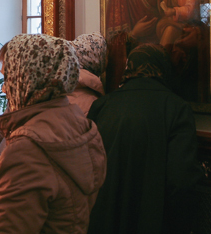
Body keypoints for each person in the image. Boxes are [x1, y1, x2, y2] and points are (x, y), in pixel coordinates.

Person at [0, 33, 107, 234]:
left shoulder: (28, 150)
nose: (4, 89)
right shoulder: (80, 125)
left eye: (8, 79)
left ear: (28, 81)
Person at [87, 44, 203, 234]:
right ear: (163, 66)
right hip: (151, 220)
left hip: (101, 219)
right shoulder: (176, 108)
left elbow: (86, 167)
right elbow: (180, 181)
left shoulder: (102, 105)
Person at [68, 32, 107, 116]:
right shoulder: (90, 102)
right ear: (95, 58)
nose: (107, 61)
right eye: (105, 56)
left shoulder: (68, 83)